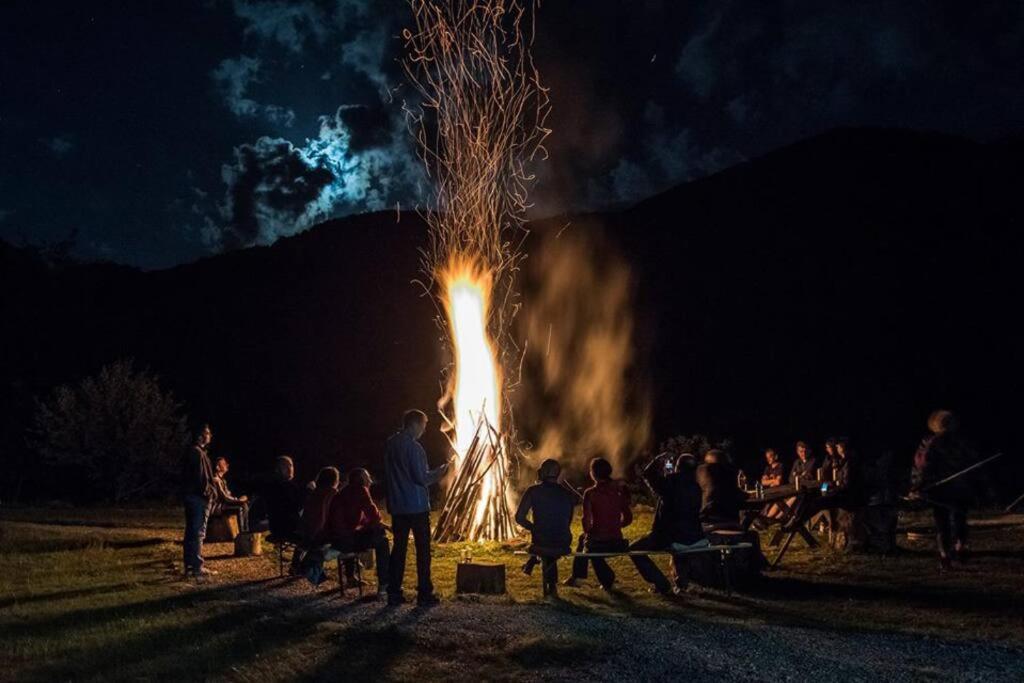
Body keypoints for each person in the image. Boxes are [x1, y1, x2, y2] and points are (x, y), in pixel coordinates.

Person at [384, 409, 452, 606]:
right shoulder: (414, 449)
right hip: (416, 507)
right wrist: (442, 471)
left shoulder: (390, 444)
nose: (424, 430)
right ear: (414, 424)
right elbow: (421, 478)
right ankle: (424, 593)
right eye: (423, 425)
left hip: (397, 506)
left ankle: (394, 592)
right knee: (423, 551)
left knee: (399, 549)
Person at [631, 453, 706, 594]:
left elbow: (648, 474)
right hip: (694, 534)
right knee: (680, 547)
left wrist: (657, 459)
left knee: (635, 549)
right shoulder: (696, 487)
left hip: (670, 535)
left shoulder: (671, 482)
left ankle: (662, 584)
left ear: (678, 467)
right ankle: (682, 584)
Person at [911, 410, 975, 570]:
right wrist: (919, 485)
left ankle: (955, 552)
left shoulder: (959, 443)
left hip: (957, 487)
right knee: (946, 523)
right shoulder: (931, 443)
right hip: (942, 489)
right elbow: (922, 465)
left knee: (955, 521)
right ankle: (947, 555)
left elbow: (971, 461)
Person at [563, 458, 632, 591]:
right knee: (586, 541)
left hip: (601, 543)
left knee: (588, 544)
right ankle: (584, 577)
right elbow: (628, 518)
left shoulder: (590, 493)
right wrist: (616, 526)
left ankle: (587, 578)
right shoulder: (619, 490)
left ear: (593, 473)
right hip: (618, 542)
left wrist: (592, 532)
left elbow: (586, 522)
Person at [514, 458, 578, 597]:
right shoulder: (567, 494)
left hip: (543, 541)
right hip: (564, 542)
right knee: (549, 544)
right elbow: (567, 520)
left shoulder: (533, 491)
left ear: (542, 472)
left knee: (544, 546)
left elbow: (519, 517)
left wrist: (533, 528)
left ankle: (549, 583)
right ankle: (537, 567)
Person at [328, 468, 391, 595]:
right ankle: (384, 584)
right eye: (368, 477)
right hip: (345, 542)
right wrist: (385, 527)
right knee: (382, 540)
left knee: (355, 533)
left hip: (335, 539)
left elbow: (358, 521)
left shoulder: (344, 492)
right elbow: (374, 516)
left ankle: (351, 578)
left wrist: (382, 526)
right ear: (361, 479)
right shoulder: (360, 491)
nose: (371, 481)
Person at [181, 423, 216, 577]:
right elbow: (201, 479)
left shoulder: (195, 452)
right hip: (197, 498)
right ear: (201, 435)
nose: (210, 436)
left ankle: (190, 565)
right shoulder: (197, 453)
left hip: (191, 496)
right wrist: (209, 493)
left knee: (191, 532)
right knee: (197, 532)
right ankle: (196, 566)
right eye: (207, 433)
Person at [264, 455, 308, 573]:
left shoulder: (274, 485)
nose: (291, 468)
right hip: (285, 527)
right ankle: (298, 566)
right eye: (287, 466)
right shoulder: (285, 486)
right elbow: (296, 507)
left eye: (291, 465)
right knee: (312, 534)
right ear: (279, 469)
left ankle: (298, 565)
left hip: (276, 526)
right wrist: (309, 492)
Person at [696, 449, 743, 526]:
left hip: (703, 521)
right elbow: (739, 495)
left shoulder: (698, 472)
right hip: (727, 521)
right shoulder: (728, 472)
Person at [300, 466, 340, 544]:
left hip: (304, 530)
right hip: (319, 533)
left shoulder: (314, 492)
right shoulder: (332, 493)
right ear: (335, 481)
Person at [211, 456, 249, 532]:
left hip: (223, 505)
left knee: (244, 504)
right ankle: (243, 532)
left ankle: (245, 530)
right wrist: (238, 500)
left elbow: (227, 495)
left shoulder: (222, 480)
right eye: (224, 464)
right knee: (240, 507)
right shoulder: (216, 480)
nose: (227, 465)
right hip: (218, 507)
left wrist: (238, 500)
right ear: (218, 467)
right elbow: (225, 497)